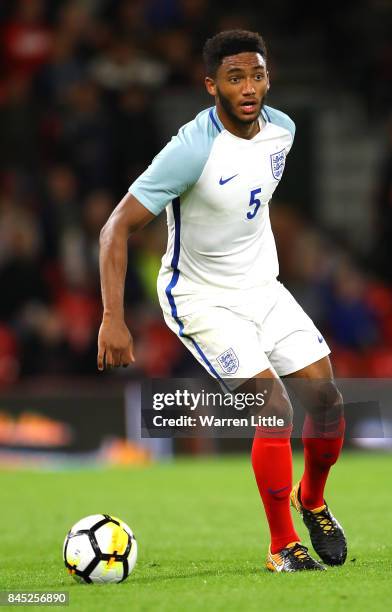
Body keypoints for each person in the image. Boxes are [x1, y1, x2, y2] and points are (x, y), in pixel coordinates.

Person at [98, 30, 347, 572]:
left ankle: (313, 501)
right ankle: (282, 546)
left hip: (262, 288)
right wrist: (112, 318)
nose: (249, 86)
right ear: (212, 86)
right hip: (200, 297)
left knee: (326, 399)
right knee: (273, 405)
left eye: (257, 75)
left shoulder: (282, 130)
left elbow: (247, 205)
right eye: (235, 78)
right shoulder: (191, 150)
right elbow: (115, 228)